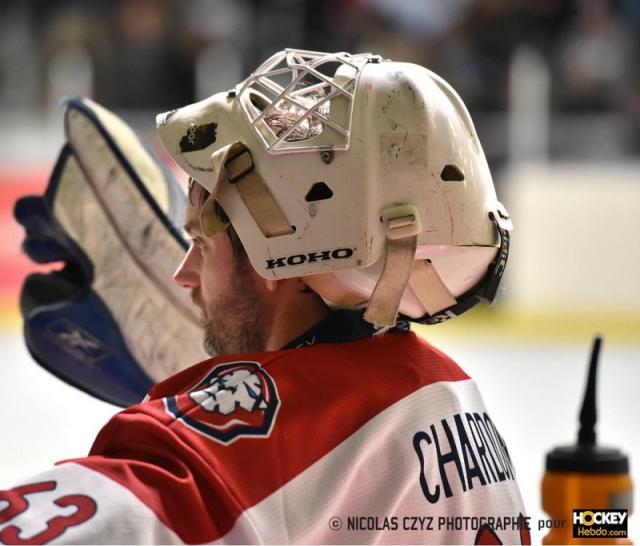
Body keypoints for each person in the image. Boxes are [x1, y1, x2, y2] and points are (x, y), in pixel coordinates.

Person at [1, 49, 529, 544]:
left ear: (281, 254)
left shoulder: (228, 459)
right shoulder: (453, 395)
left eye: (201, 244)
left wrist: (203, 414)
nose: (183, 275)